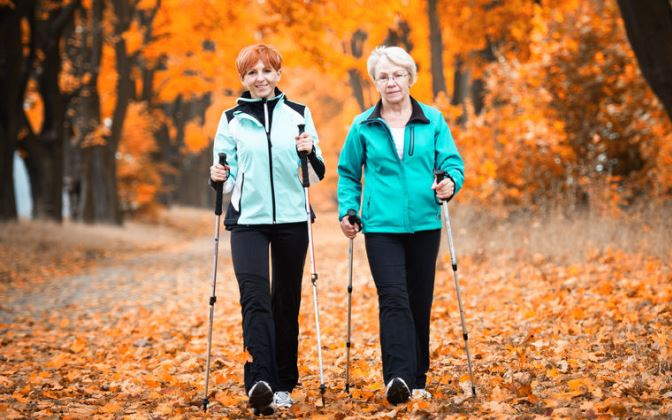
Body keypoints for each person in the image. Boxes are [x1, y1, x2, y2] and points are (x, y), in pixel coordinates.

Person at [337, 46, 464, 405]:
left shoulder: (433, 120)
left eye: (397, 75)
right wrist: (348, 210)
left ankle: (418, 376)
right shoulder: (362, 125)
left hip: (425, 222)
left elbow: (452, 163)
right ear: (374, 82)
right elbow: (348, 174)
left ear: (410, 78)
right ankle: (398, 377)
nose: (390, 82)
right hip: (380, 227)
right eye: (383, 76)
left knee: (418, 300)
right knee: (393, 298)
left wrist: (450, 182)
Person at [209, 43, 325, 415]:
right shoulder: (231, 119)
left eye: (266, 71)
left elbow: (316, 174)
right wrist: (218, 176)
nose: (260, 78)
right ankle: (260, 379)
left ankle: (283, 384)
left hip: (292, 218)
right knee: (254, 298)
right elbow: (223, 180)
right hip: (248, 222)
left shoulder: (299, 114)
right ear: (243, 78)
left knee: (286, 300)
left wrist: (309, 151)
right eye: (252, 73)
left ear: (278, 74)